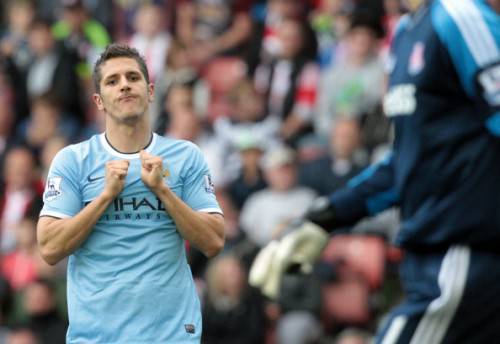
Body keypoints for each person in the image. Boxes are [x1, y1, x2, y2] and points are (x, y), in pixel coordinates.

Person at [251, 0, 500, 343]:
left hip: (462, 258)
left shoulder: (460, 16)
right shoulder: (406, 32)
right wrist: (323, 219)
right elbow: (405, 162)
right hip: (431, 259)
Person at [37, 44, 225, 343]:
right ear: (99, 101)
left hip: (171, 333)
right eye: (113, 81)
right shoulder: (73, 160)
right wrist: (105, 197)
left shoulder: (185, 156)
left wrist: (163, 191)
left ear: (150, 91)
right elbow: (49, 248)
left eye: (132, 77)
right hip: (98, 335)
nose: (124, 84)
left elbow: (214, 240)